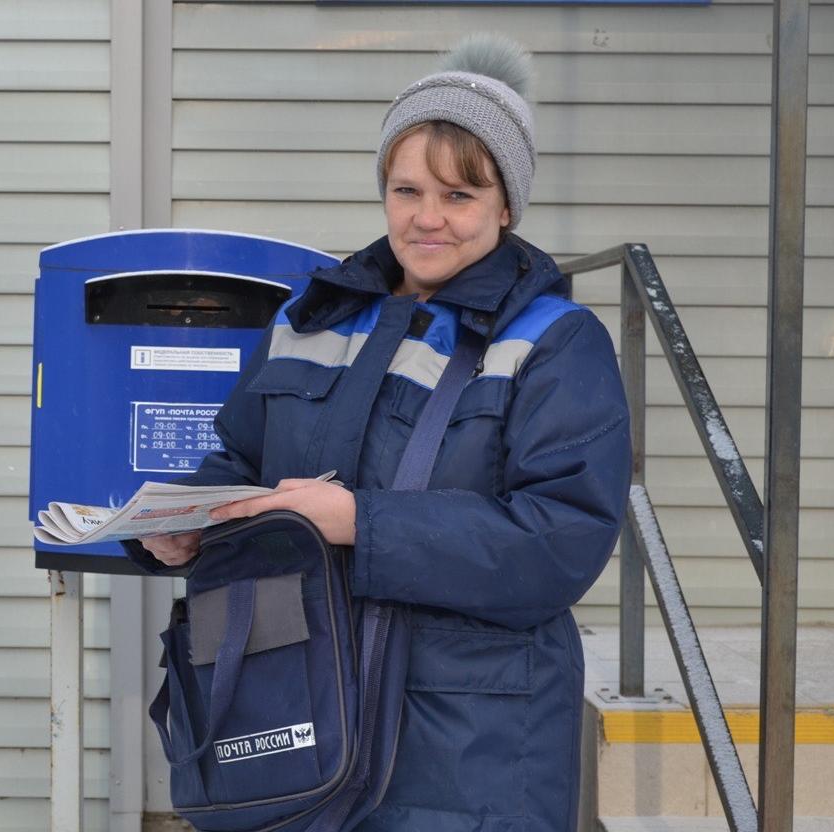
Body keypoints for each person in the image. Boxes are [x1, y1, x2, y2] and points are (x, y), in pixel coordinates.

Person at [130, 33, 631, 832]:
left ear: (506, 205)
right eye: (406, 191)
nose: (426, 219)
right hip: (293, 706)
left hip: (466, 744)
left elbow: (558, 540)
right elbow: (242, 456)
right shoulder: (312, 317)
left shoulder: (554, 341)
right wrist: (187, 518)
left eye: (459, 196)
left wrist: (362, 523)